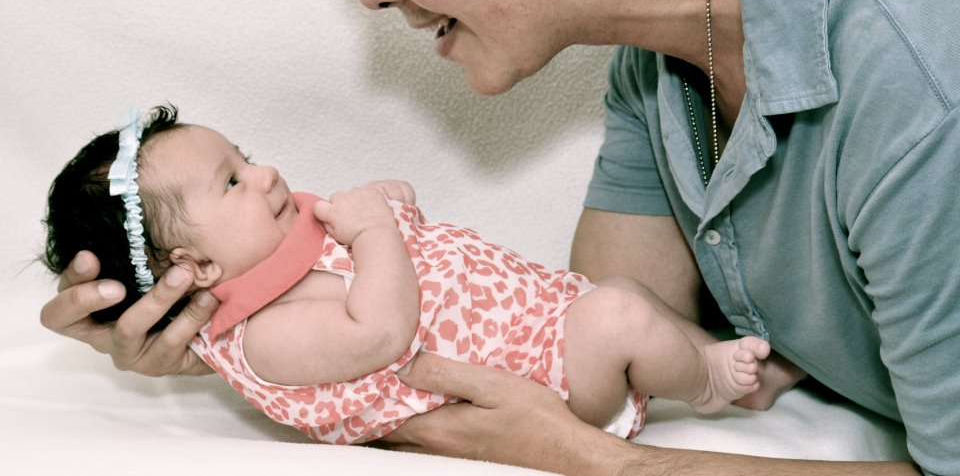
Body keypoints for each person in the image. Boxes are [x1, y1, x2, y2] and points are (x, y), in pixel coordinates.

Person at [39, 0, 959, 474]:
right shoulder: (668, 27)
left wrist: (593, 463)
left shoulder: (920, 76)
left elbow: (567, 420)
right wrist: (220, 324)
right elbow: (596, 322)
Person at [43, 105, 796, 445]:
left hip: (542, 320)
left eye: (245, 155)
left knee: (626, 297)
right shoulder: (266, 334)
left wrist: (390, 205)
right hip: (542, 381)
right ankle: (707, 380)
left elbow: (391, 243)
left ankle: (745, 370)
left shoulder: (290, 246)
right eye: (234, 181)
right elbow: (380, 328)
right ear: (196, 266)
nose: (266, 172)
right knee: (621, 320)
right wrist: (374, 228)